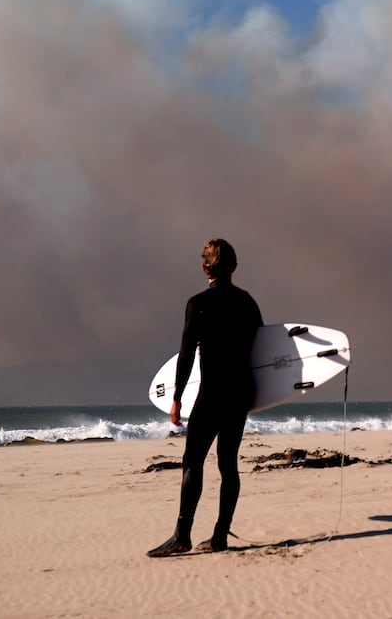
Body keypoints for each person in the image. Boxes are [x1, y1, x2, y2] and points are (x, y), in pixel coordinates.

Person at [148, 238, 263, 558]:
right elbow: (262, 347)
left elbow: (186, 356)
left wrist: (176, 399)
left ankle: (181, 536)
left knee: (192, 462)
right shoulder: (247, 302)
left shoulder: (197, 303)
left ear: (204, 268)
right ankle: (219, 535)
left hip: (211, 392)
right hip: (241, 391)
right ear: (234, 268)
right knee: (229, 464)